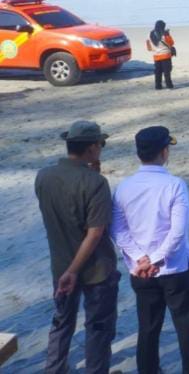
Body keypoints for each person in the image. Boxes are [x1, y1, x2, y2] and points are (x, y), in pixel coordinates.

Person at [111, 127, 189, 374]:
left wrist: (141, 259)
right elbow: (177, 232)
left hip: (141, 271)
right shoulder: (174, 185)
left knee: (148, 327)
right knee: (186, 326)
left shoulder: (124, 187)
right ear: (164, 152)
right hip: (174, 267)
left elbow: (118, 230)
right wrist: (156, 258)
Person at [36, 121, 119, 374]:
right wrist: (75, 271)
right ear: (93, 147)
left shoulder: (44, 176)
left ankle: (55, 368)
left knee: (61, 323)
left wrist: (68, 270)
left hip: (60, 264)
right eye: (100, 144)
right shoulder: (95, 183)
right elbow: (95, 233)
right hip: (95, 269)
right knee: (98, 328)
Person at [146, 20, 175, 90]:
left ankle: (158, 86)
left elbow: (148, 46)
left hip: (156, 56)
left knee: (158, 72)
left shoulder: (150, 34)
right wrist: (168, 34)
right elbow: (171, 43)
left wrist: (154, 50)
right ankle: (169, 85)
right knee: (167, 72)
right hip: (166, 55)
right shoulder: (165, 34)